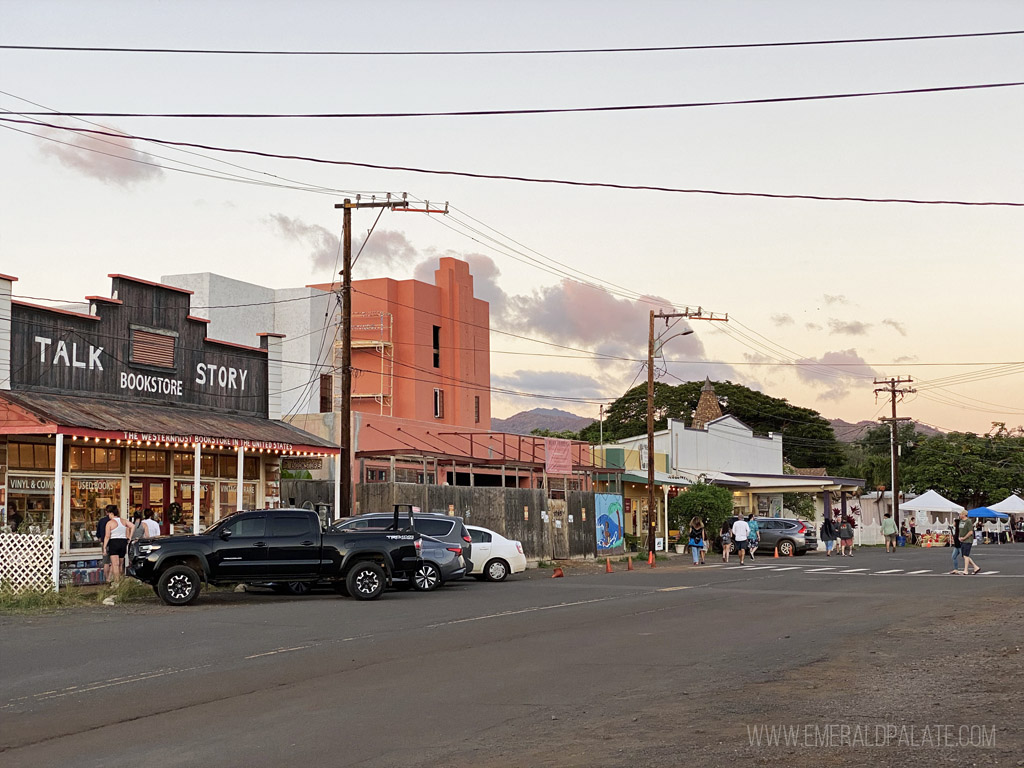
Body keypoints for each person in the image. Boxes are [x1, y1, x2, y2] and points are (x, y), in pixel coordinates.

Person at [102, 505, 134, 584]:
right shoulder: (123, 521)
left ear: (111, 513)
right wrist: (129, 537)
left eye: (108, 514)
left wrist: (104, 547)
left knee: (115, 564)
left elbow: (107, 536)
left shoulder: (110, 523)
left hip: (114, 542)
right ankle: (120, 580)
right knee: (120, 564)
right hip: (123, 542)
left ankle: (117, 582)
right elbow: (133, 526)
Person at [957, 510, 981, 575]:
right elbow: (960, 530)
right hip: (962, 540)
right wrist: (960, 537)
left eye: (961, 514)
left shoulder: (968, 521)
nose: (960, 515)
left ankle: (966, 570)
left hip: (968, 540)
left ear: (964, 515)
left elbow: (970, 532)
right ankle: (976, 567)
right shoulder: (961, 521)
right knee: (964, 556)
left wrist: (964, 537)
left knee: (966, 555)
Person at [96, 506, 112, 582]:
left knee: (106, 562)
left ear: (106, 512)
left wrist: (101, 539)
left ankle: (107, 579)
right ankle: (112, 578)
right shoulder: (114, 521)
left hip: (104, 543)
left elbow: (98, 533)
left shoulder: (102, 520)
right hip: (113, 542)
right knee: (114, 562)